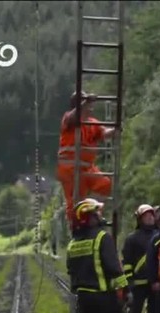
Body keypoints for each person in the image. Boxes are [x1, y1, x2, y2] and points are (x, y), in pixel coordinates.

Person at [65, 198, 129, 313]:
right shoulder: (102, 237)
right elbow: (114, 268)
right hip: (103, 296)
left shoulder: (72, 244)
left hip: (84, 299)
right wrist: (126, 291)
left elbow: (71, 270)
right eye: (96, 213)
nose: (100, 216)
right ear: (89, 218)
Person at [57, 91, 116, 227]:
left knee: (105, 185)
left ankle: (91, 212)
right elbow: (75, 116)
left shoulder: (92, 122)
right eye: (86, 104)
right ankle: (75, 225)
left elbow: (104, 133)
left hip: (87, 166)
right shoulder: (68, 119)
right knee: (73, 200)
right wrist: (86, 102)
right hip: (69, 167)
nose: (90, 107)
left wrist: (115, 130)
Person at [120, 204, 157, 313]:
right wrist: (129, 284)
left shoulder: (159, 235)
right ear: (140, 219)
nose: (150, 218)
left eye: (152, 215)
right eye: (146, 216)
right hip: (138, 285)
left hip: (156, 284)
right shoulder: (132, 238)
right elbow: (127, 263)